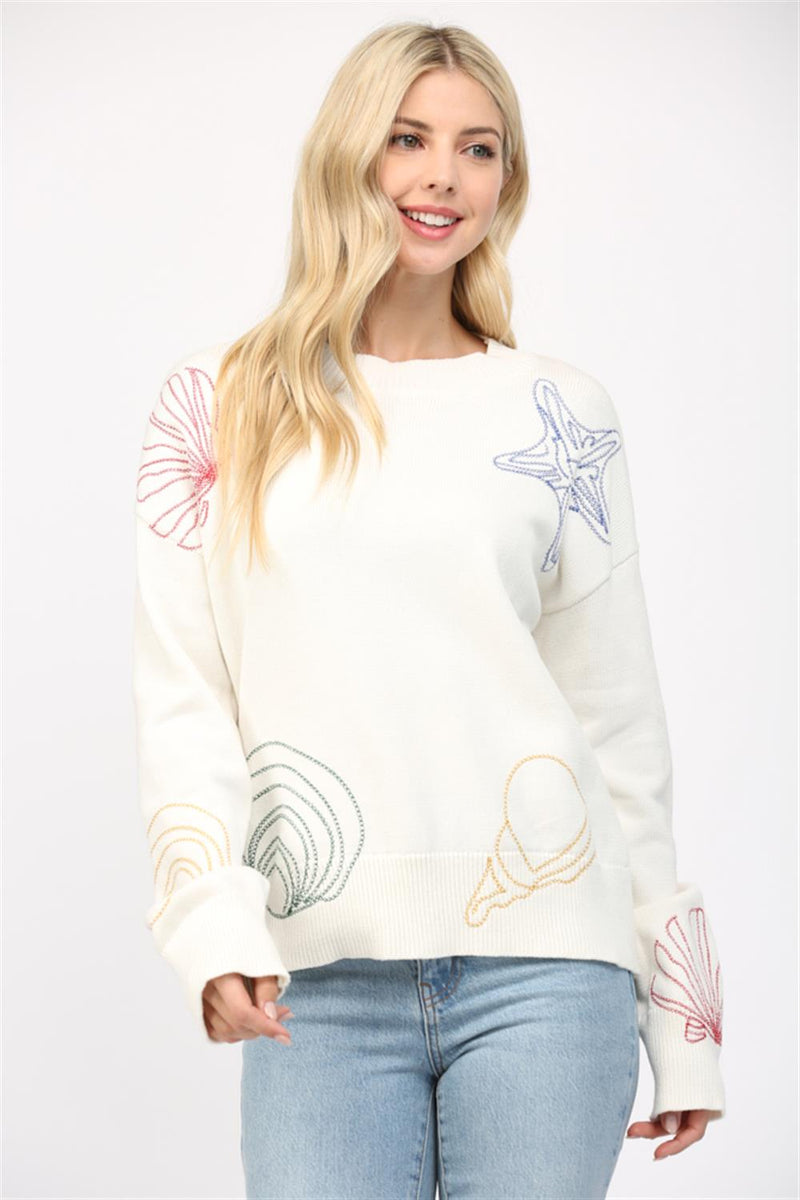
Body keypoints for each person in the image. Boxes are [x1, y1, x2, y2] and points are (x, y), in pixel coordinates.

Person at [132, 21, 725, 1200]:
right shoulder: (220, 401)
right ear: (347, 153)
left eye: (477, 148)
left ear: (506, 182)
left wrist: (681, 1011)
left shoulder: (558, 411)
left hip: (551, 972)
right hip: (319, 981)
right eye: (406, 139)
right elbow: (186, 697)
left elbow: (617, 726)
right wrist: (211, 926)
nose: (441, 176)